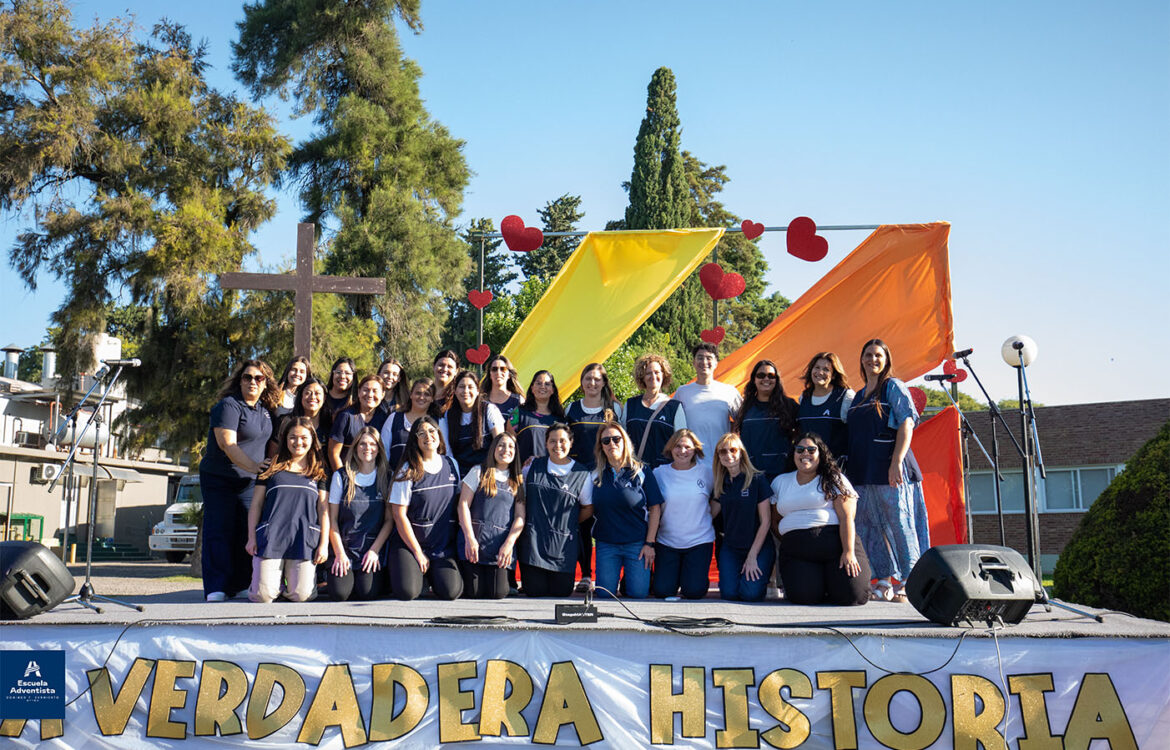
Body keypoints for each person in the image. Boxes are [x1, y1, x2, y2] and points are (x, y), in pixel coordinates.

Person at [846, 338, 929, 602]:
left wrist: (896, 461)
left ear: (886, 359)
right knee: (868, 525)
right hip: (862, 471)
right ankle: (883, 579)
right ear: (861, 359)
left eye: (878, 355)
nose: (873, 359)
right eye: (868, 354)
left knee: (899, 522)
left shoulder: (893, 387)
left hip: (890, 468)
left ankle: (911, 579)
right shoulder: (858, 396)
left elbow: (907, 422)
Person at [199, 359, 278, 602]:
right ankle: (216, 586)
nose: (253, 381)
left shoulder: (266, 411)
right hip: (220, 478)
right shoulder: (229, 406)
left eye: (259, 378)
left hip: (250, 482)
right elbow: (227, 444)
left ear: (266, 383)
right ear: (239, 380)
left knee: (247, 530)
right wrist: (255, 466)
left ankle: (241, 583)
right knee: (219, 529)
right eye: (247, 377)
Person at [771, 433, 870, 606]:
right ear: (793, 453)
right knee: (804, 597)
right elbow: (774, 520)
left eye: (811, 449)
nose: (805, 454)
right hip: (797, 552)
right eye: (800, 449)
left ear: (821, 454)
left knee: (853, 596)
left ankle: (832, 583)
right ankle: (820, 584)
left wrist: (848, 552)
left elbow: (847, 517)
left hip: (836, 546)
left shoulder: (835, 479)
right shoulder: (780, 482)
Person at [245, 418, 330, 603]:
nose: (298, 442)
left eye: (303, 437)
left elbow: (323, 509)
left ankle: (285, 585)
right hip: (271, 537)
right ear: (285, 440)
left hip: (303, 538)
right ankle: (274, 585)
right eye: (293, 437)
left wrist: (323, 544)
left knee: (301, 595)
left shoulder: (319, 471)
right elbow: (256, 505)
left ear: (312, 440)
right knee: (262, 596)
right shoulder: (269, 468)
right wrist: (251, 537)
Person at [387, 416, 464, 600]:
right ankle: (414, 572)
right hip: (411, 544)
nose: (428, 436)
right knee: (408, 592)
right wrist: (417, 552)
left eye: (431, 431)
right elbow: (399, 515)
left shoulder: (452, 464)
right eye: (421, 433)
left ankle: (432, 576)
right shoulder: (407, 470)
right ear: (415, 440)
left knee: (450, 592)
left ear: (439, 434)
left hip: (441, 545)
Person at [517, 423, 593, 597]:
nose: (557, 445)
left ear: (571, 442)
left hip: (563, 547)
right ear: (546, 444)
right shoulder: (532, 466)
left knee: (562, 592)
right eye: (552, 441)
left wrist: (569, 522)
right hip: (533, 543)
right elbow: (520, 498)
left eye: (562, 441)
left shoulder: (582, 473)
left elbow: (588, 508)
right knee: (534, 591)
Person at [565, 363, 622, 592]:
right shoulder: (571, 408)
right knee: (582, 526)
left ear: (604, 382)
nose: (592, 383)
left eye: (597, 379)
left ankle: (615, 574)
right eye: (588, 378)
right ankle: (586, 574)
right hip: (578, 476)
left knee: (608, 523)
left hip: (605, 475)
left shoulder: (615, 409)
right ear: (581, 382)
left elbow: (622, 443)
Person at [590, 422, 661, 599]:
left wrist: (649, 544)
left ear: (625, 441)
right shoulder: (594, 474)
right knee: (604, 594)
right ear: (601, 447)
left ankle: (629, 579)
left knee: (638, 593)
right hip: (607, 544)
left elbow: (655, 508)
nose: (611, 444)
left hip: (637, 544)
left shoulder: (642, 471)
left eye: (616, 439)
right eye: (605, 441)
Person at [326, 426, 394, 601]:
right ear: (355, 447)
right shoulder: (341, 476)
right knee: (340, 594)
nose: (367, 448)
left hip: (370, 549)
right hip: (345, 548)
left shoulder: (387, 476)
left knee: (367, 592)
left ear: (379, 448)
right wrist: (340, 553)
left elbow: (389, 521)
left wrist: (374, 551)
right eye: (362, 444)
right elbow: (332, 519)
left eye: (372, 444)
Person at [456, 432, 526, 599]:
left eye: (510, 447)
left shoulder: (518, 480)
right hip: (474, 545)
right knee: (473, 592)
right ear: (493, 448)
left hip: (499, 548)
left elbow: (520, 517)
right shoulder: (478, 472)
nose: (505, 450)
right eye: (501, 445)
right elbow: (463, 505)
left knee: (498, 593)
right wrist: (469, 538)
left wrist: (509, 544)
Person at [710, 433, 774, 602]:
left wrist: (752, 556)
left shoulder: (757, 479)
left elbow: (766, 522)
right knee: (729, 594)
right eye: (722, 452)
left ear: (741, 453)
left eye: (733, 450)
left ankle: (758, 582)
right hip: (731, 547)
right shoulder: (720, 483)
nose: (728, 455)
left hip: (757, 547)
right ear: (718, 456)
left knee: (750, 594)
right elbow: (709, 515)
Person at [652, 429, 715, 599]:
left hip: (699, 541)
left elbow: (716, 501)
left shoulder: (707, 472)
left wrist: (705, 520)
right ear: (671, 449)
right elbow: (653, 508)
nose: (682, 451)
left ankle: (693, 578)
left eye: (687, 447)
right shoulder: (659, 473)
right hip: (667, 542)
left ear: (695, 449)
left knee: (694, 591)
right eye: (678, 446)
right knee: (662, 591)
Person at [672, 343, 742, 461]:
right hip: (692, 462)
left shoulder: (729, 391)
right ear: (694, 362)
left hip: (722, 461)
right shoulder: (682, 392)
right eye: (700, 358)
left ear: (716, 363)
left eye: (709, 358)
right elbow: (673, 425)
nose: (704, 362)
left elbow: (742, 421)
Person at [733, 359, 799, 482]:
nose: (766, 379)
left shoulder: (789, 406)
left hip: (782, 476)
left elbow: (801, 434)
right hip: (752, 476)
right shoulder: (745, 407)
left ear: (777, 380)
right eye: (761, 375)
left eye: (771, 376)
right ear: (754, 379)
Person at [622, 353, 686, 468]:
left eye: (657, 372)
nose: (653, 376)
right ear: (642, 377)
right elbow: (621, 439)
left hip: (663, 472)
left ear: (664, 375)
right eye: (648, 373)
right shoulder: (630, 405)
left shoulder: (674, 407)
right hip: (634, 471)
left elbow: (682, 443)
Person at [440, 370, 505, 476]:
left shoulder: (489, 410)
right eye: (461, 387)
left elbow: (500, 442)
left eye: (470, 387)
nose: (465, 391)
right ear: (455, 391)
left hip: (487, 473)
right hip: (461, 475)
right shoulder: (448, 416)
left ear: (478, 390)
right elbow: (448, 452)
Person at [797, 352, 854, 465]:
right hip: (808, 467)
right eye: (816, 367)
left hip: (836, 468)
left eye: (826, 369)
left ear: (833, 375)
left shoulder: (846, 397)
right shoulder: (803, 398)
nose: (820, 372)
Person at [328, 374, 385, 472]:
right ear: (359, 392)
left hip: (375, 477)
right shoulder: (346, 417)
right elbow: (334, 453)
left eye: (375, 391)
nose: (370, 395)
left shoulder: (385, 418)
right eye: (365, 390)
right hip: (348, 474)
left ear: (382, 394)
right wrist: (343, 478)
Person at [512, 370, 567, 467]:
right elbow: (509, 442)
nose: (542, 386)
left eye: (547, 384)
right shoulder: (518, 413)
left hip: (552, 471)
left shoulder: (560, 418)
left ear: (553, 390)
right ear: (532, 388)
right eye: (538, 383)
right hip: (524, 472)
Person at [268, 376, 331, 458]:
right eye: (307, 393)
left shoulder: (329, 423)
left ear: (324, 397)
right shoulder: (285, 422)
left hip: (320, 470)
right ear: (301, 396)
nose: (312, 397)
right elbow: (273, 453)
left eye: (317, 393)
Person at [381, 377, 435, 470]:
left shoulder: (437, 422)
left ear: (432, 399)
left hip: (427, 481)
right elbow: (384, 452)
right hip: (396, 479)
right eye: (418, 393)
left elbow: (445, 452)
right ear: (411, 395)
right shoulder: (394, 418)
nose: (421, 397)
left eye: (427, 394)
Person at [480, 355, 524, 425]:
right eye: (494, 369)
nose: (498, 372)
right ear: (490, 374)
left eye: (503, 369)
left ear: (509, 375)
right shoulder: (481, 400)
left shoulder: (518, 401)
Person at [430, 349, 460, 415]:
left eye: (450, 367)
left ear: (456, 371)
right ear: (433, 366)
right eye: (441, 365)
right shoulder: (422, 394)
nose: (445, 369)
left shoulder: (459, 397)